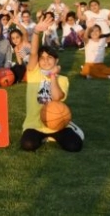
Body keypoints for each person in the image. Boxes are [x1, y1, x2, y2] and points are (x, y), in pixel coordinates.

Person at [20, 15, 84, 152]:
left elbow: (56, 97)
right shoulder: (33, 73)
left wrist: (53, 75)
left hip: (57, 123)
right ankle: (44, 136)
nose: (45, 60)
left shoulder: (63, 79)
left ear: (56, 61)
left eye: (49, 57)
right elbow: (33, 53)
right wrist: (36, 32)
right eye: (42, 58)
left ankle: (64, 129)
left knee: (75, 146)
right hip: (35, 124)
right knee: (28, 145)